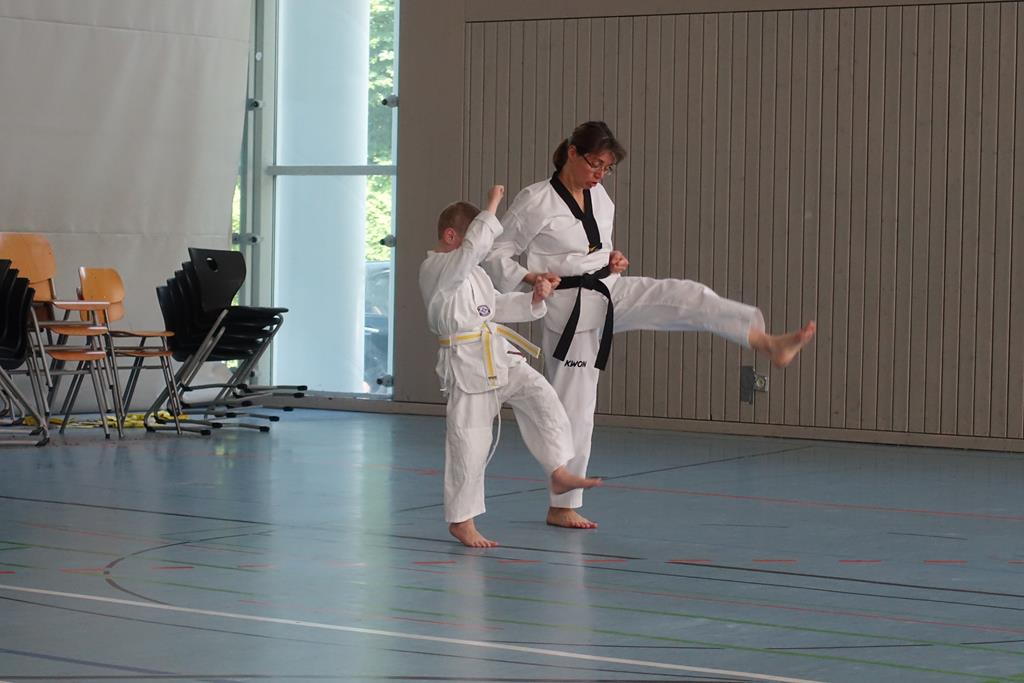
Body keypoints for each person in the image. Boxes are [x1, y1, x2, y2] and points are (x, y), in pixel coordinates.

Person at [483, 121, 816, 530]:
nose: (600, 174)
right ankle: (561, 505)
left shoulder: (600, 197)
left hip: (609, 291)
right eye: (594, 163)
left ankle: (764, 340)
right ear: (571, 152)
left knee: (684, 295)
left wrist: (613, 260)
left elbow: (594, 249)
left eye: (607, 167)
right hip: (569, 311)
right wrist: (530, 277)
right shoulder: (536, 199)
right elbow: (497, 253)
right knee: (576, 409)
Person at [419, 184, 601, 548]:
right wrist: (492, 205)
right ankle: (462, 520)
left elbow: (494, 306)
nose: (479, 251)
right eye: (474, 240)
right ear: (451, 236)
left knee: (542, 397)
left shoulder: (472, 273)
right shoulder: (437, 267)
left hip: (497, 354)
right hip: (466, 364)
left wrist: (533, 298)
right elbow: (471, 251)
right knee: (470, 441)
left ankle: (558, 469)